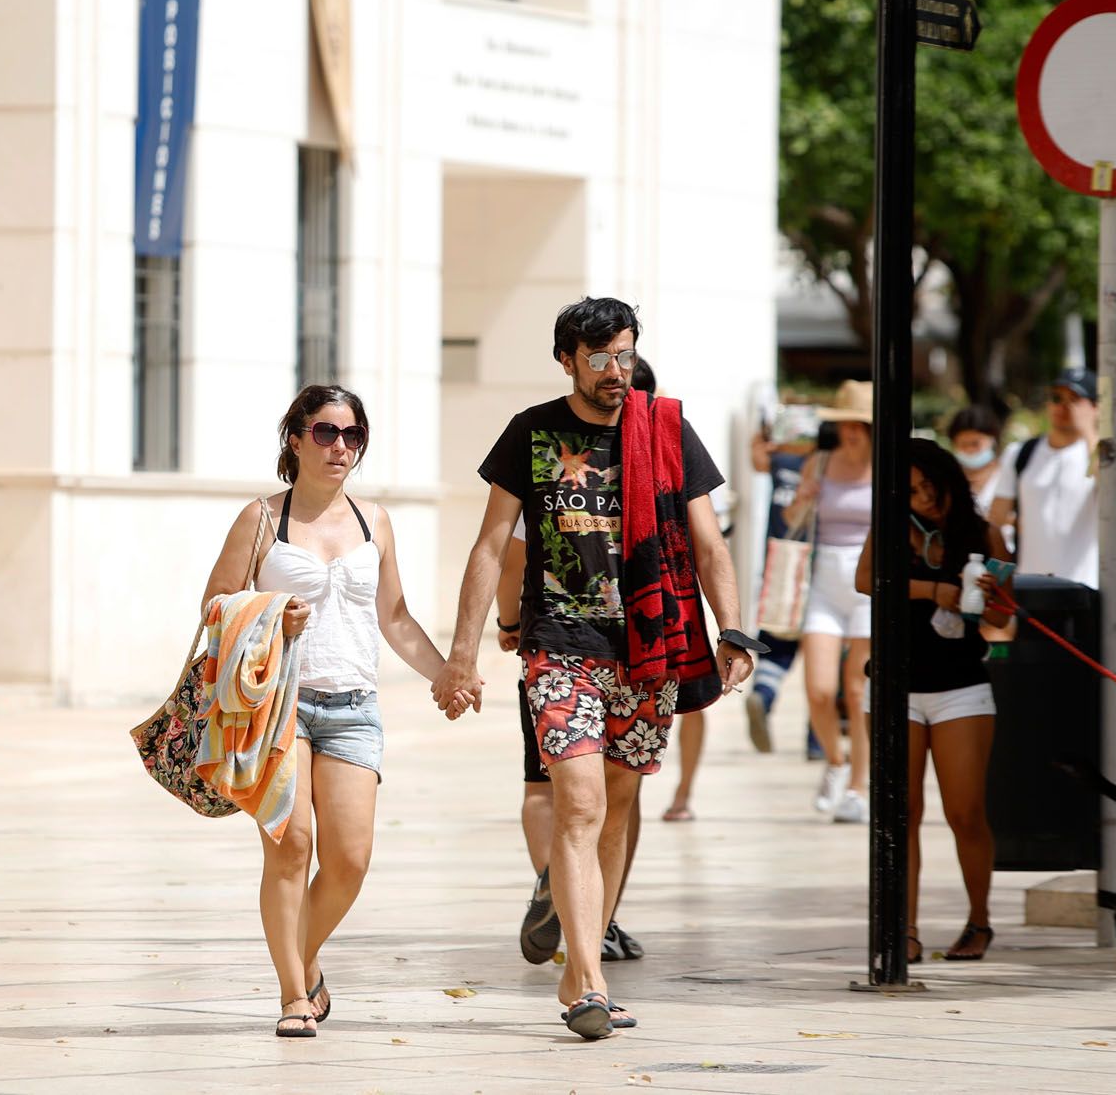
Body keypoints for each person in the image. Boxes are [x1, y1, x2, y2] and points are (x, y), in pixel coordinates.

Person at [437, 298, 758, 1040]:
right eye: (600, 358)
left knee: (614, 810)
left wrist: (734, 629)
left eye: (625, 355)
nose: (617, 372)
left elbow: (709, 543)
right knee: (577, 805)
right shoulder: (532, 432)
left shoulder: (667, 428)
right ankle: (588, 980)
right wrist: (463, 651)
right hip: (561, 642)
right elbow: (492, 545)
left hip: (648, 650)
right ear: (567, 360)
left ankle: (586, 952)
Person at [197, 385, 459, 1039]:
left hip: (353, 704)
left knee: (349, 858)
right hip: (279, 705)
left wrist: (446, 673)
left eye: (352, 434)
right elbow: (214, 605)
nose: (340, 445)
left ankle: (301, 958)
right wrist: (266, 614)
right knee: (293, 848)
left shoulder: (376, 520)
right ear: (295, 438)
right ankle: (292, 994)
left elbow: (394, 619)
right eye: (324, 431)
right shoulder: (261, 518)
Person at [504, 358, 659, 967]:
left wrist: (508, 625)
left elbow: (511, 555)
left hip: (552, 643)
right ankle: (596, 921)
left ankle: (556, 883)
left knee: (550, 789)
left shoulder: (556, 452)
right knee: (612, 803)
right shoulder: (643, 462)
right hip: (609, 650)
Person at [855, 439, 1011, 963]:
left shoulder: (984, 533)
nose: (923, 498)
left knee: (965, 811)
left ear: (950, 482)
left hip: (961, 686)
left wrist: (994, 595)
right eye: (913, 489)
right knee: (902, 813)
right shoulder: (891, 529)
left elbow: (1004, 622)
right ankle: (906, 929)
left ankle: (979, 921)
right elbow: (864, 580)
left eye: (931, 487)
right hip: (894, 686)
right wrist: (931, 591)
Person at [791, 381, 874, 825]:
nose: (850, 433)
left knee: (859, 689)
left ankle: (859, 786)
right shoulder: (819, 462)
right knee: (820, 690)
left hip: (868, 582)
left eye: (858, 425)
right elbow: (790, 520)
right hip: (824, 580)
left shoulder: (888, 466)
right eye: (842, 424)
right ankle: (836, 764)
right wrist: (804, 500)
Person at [989, 369, 1098, 589]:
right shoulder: (1020, 453)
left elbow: (1111, 490)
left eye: (1075, 399)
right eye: (1057, 398)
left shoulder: (1098, 456)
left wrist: (1090, 430)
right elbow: (995, 519)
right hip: (1030, 586)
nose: (1063, 406)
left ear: (1095, 407)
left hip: (1085, 588)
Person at [745, 422, 813, 755]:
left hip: (782, 561)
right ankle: (817, 741)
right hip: (822, 565)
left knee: (777, 640)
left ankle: (764, 693)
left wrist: (767, 442)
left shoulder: (783, 460)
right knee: (825, 657)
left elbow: (758, 459)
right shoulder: (837, 465)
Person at [946, 405, 1006, 520]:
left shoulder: (1009, 474)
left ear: (992, 440)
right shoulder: (948, 478)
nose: (969, 450)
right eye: (963, 444)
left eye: (975, 444)